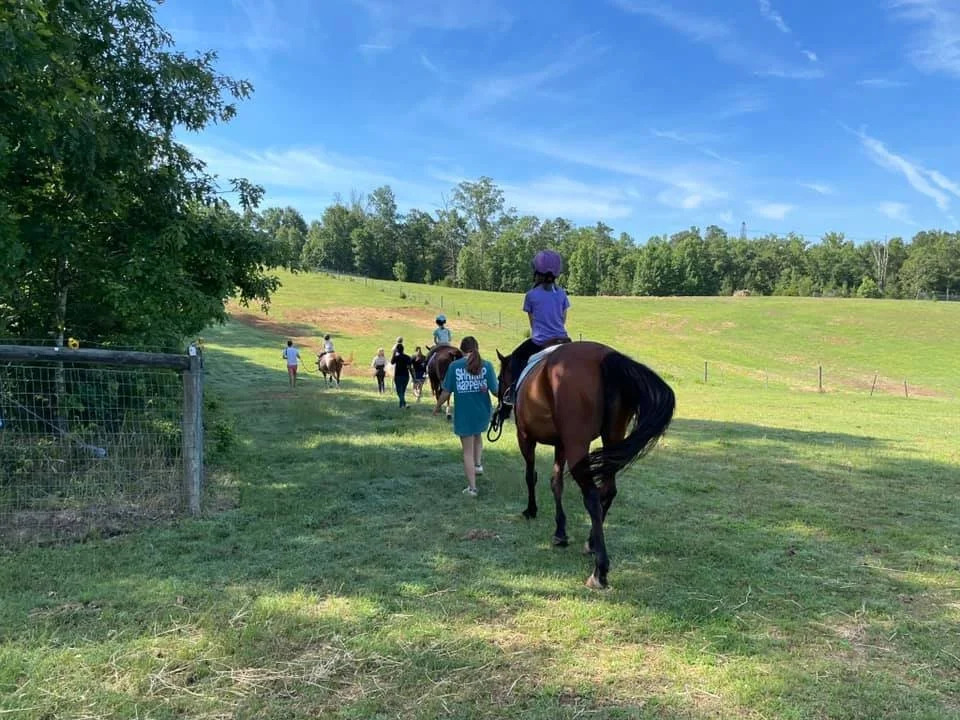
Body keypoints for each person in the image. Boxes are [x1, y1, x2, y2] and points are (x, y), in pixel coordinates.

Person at [505, 250, 571, 404]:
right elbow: (563, 319)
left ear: (537, 271)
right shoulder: (562, 293)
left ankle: (514, 392)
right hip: (563, 340)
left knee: (516, 356)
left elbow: (533, 323)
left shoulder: (531, 295)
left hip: (540, 342)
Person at [436, 336, 498, 497]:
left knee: (467, 452)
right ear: (476, 348)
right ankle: (478, 466)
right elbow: (496, 391)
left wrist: (437, 406)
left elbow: (446, 392)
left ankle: (472, 489)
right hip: (482, 412)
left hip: (464, 414)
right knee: (478, 435)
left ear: (461, 350)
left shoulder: (455, 367)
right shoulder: (487, 365)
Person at [391, 342, 413, 408]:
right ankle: (402, 405)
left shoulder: (396, 357)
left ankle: (404, 404)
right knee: (402, 391)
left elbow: (392, 362)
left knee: (399, 391)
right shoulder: (408, 357)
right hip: (406, 376)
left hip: (398, 376)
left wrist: (394, 353)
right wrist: (413, 376)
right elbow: (410, 367)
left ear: (397, 350)